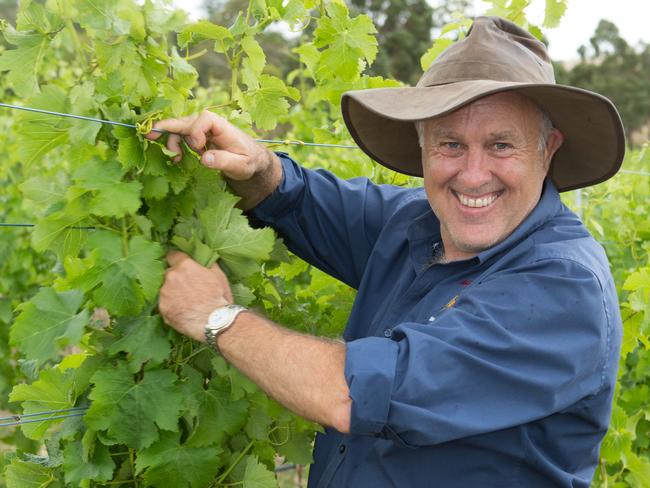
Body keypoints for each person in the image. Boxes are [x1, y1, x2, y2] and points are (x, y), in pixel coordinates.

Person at [148, 17, 624, 487]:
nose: (474, 174)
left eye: (502, 145)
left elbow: (354, 394)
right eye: (450, 144)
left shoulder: (564, 287)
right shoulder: (417, 224)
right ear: (422, 147)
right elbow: (300, 201)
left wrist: (217, 317)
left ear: (548, 150)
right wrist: (256, 168)